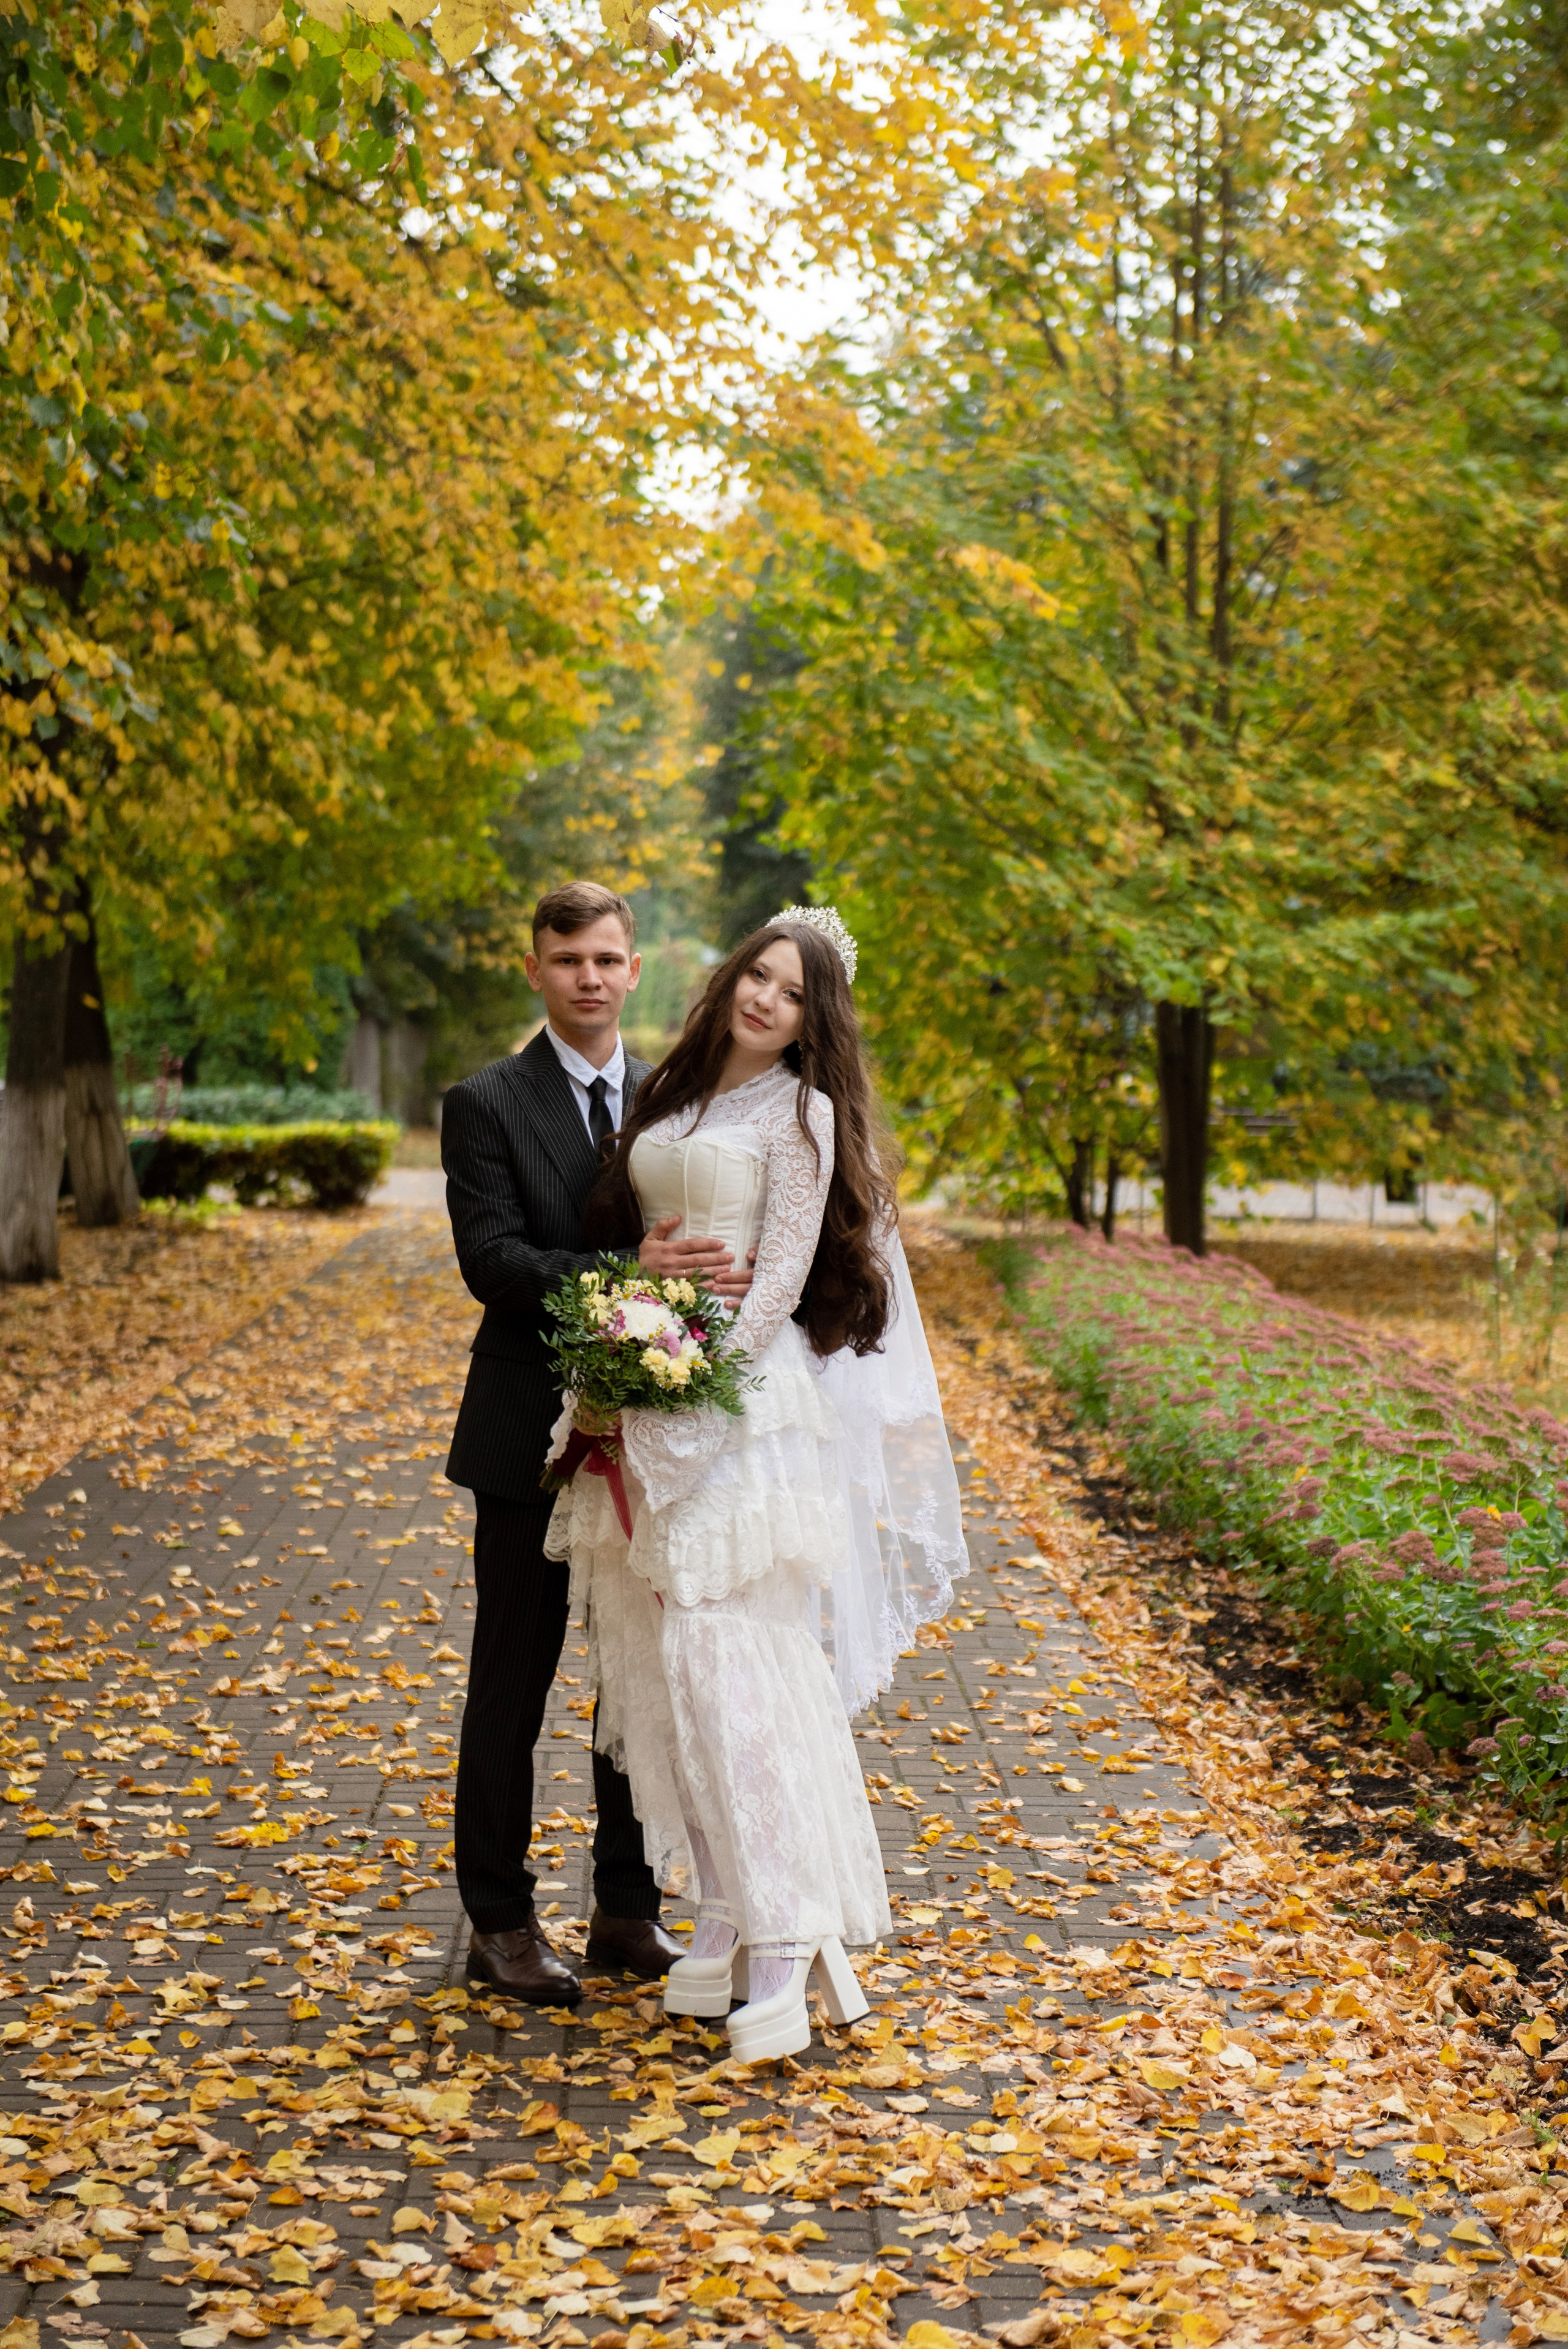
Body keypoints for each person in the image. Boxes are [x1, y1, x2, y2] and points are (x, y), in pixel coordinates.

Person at [546, 907, 968, 2061]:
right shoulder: (674, 1096)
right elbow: (641, 1231)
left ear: (811, 1018)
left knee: (731, 1658)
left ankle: (786, 1936)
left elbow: (777, 1279)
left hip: (741, 1403)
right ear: (734, 979)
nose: (767, 1000)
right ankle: (724, 1907)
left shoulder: (802, 1111)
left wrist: (689, 1388)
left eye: (793, 992)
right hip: (652, 1377)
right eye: (758, 978)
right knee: (663, 1664)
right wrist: (628, 1356)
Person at [442, 880, 754, 2006]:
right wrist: (629, 1280)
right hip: (530, 1435)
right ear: (536, 970)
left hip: (654, 1436)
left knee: (635, 1679)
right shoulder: (485, 1102)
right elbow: (494, 1263)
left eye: (608, 959)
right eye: (567, 958)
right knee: (511, 1686)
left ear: (633, 972)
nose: (589, 976)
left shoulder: (676, 1101)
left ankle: (628, 1910)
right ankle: (500, 1923)